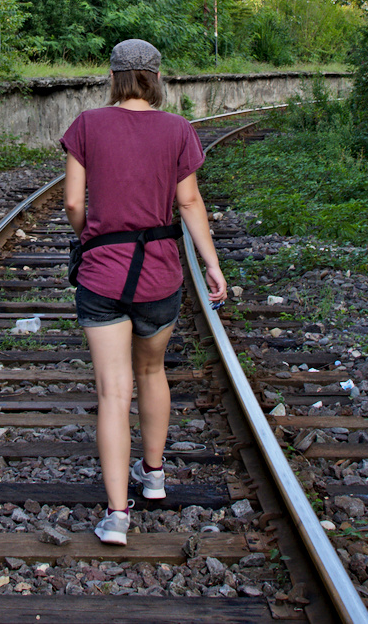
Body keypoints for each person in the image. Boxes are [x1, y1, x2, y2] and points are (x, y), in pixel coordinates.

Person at [59, 38, 228, 547]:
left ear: (113, 77)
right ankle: (153, 477)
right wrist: (212, 264)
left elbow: (72, 204)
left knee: (113, 391)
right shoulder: (178, 129)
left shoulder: (87, 125)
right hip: (159, 275)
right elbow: (191, 201)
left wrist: (94, 234)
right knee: (152, 371)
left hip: (102, 276)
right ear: (156, 78)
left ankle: (115, 516)